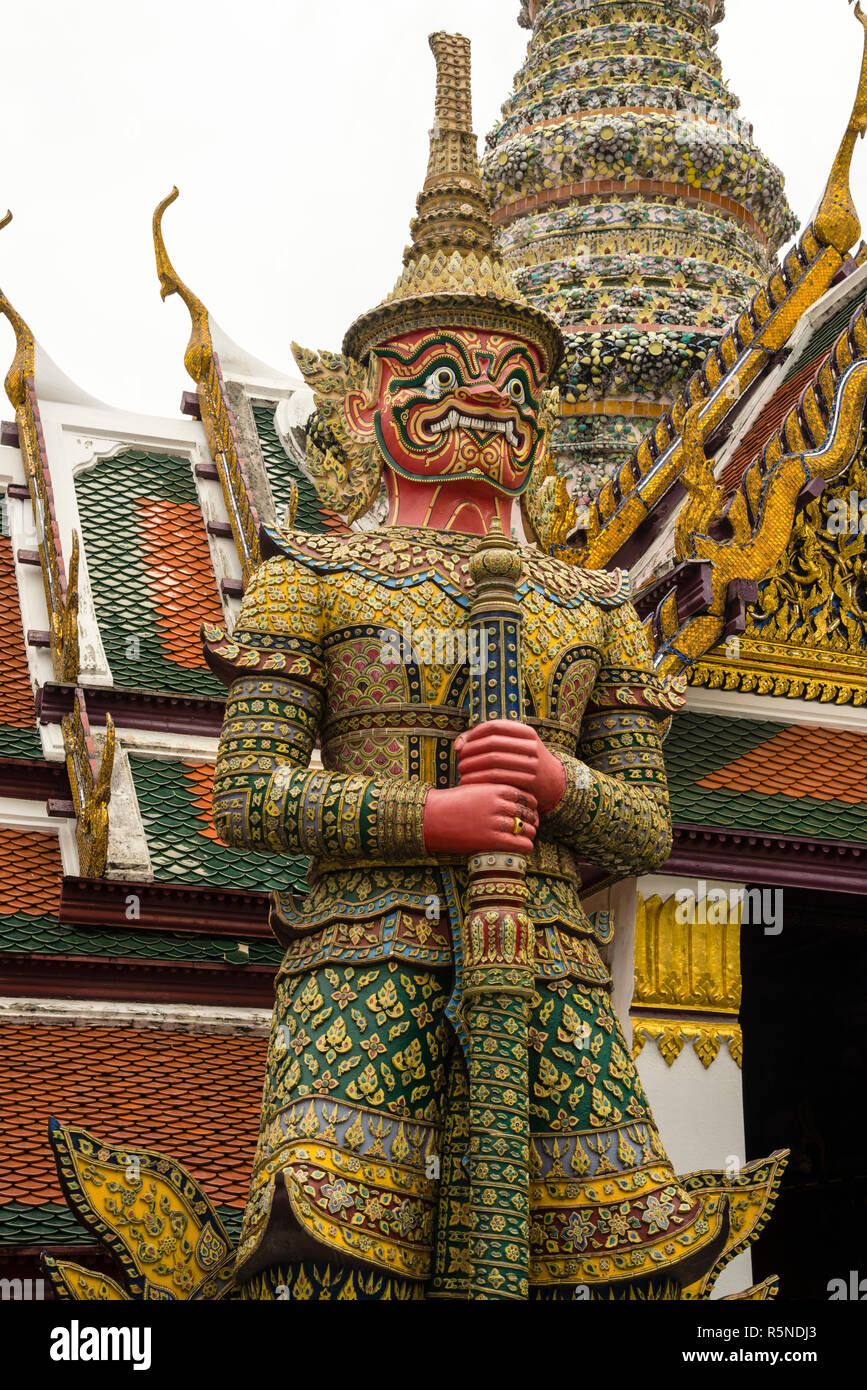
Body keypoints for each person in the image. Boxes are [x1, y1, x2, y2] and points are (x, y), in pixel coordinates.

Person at [206, 32, 765, 1301]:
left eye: (516, 381)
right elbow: (247, 797)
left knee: (622, 1274)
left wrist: (561, 788)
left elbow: (643, 823)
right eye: (442, 374)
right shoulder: (316, 572)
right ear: (368, 400)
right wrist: (434, 813)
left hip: (554, 971)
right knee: (331, 1267)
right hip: (365, 956)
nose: (485, 408)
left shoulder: (590, 603)